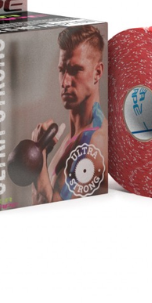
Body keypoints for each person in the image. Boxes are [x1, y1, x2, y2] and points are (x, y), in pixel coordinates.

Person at [32, 25, 108, 204]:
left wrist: (37, 152)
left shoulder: (93, 142)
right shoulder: (71, 138)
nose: (65, 82)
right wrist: (41, 154)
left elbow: (53, 210)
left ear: (97, 73)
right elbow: (37, 200)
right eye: (62, 70)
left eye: (75, 70)